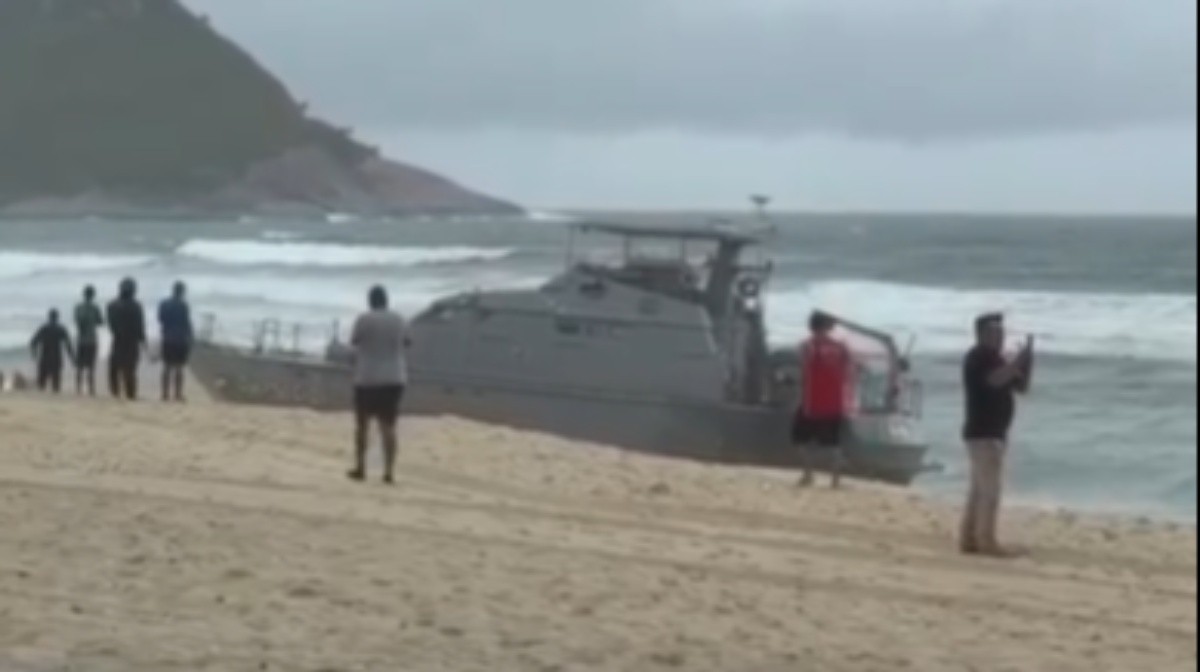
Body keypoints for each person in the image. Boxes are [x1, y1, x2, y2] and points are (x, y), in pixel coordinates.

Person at [960, 313, 1033, 558]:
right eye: (994, 334)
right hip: (983, 432)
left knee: (979, 490)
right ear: (981, 335)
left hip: (993, 433)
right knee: (990, 491)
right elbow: (994, 381)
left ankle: (969, 537)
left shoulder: (996, 358)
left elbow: (1021, 387)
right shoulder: (977, 357)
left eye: (1001, 334)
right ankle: (985, 540)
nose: (1000, 338)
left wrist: (1026, 362)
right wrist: (1015, 364)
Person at [347, 285, 410, 484]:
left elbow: (355, 341)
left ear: (370, 301)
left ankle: (361, 468)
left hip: (367, 378)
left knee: (363, 425)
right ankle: (389, 472)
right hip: (394, 377)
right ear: (386, 300)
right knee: (388, 427)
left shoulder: (364, 319)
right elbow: (407, 342)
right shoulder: (399, 319)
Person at [792, 310, 854, 489]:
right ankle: (835, 481)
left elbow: (802, 368)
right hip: (836, 403)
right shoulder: (842, 347)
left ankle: (808, 475)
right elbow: (852, 369)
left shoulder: (808, 346)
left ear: (811, 326)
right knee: (833, 444)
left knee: (799, 439)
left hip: (812, 404)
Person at [106, 277, 148, 400]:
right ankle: (130, 394)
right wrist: (143, 341)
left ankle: (115, 391)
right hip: (132, 340)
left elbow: (110, 325)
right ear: (133, 291)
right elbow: (140, 325)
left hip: (118, 338)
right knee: (130, 369)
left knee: (114, 367)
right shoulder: (136, 306)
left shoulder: (112, 305)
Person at [158, 281, 194, 402]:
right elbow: (186, 322)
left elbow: (160, 319)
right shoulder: (183, 305)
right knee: (179, 367)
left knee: (167, 367)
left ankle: (165, 394)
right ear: (182, 292)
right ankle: (178, 394)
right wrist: (191, 337)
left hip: (167, 337)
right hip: (180, 338)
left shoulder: (164, 304)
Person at [30, 309, 75, 394]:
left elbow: (33, 342)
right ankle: (55, 397)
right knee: (56, 382)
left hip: (44, 357)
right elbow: (68, 345)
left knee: (42, 381)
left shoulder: (44, 328)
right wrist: (72, 357)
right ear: (57, 317)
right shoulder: (61, 329)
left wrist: (34, 354)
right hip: (56, 357)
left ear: (49, 317)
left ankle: (41, 397)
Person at [73, 285, 105, 396]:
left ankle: (78, 389)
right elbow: (101, 322)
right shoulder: (95, 308)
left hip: (81, 339)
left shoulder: (78, 307)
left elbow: (76, 321)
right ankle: (91, 389)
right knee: (91, 366)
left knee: (79, 367)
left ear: (84, 294)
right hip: (92, 339)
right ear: (93, 295)